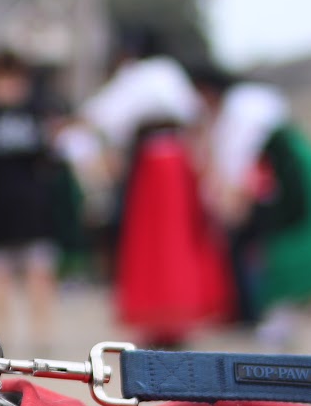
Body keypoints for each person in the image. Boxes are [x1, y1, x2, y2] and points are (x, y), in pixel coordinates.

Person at [82, 35, 230, 347]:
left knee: (151, 241)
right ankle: (179, 317)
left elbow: (100, 116)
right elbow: (196, 117)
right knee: (178, 240)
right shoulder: (170, 73)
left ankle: (156, 318)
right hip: (178, 162)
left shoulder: (136, 75)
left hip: (150, 165)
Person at [189, 65, 311, 348]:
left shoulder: (241, 107)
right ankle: (271, 313)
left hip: (284, 173)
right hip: (280, 171)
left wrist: (231, 202)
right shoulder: (241, 106)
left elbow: (238, 158)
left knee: (281, 243)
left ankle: (277, 314)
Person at [0, 50, 61, 351]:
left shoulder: (38, 111)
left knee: (39, 275)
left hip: (34, 209)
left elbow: (50, 156)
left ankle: (41, 336)